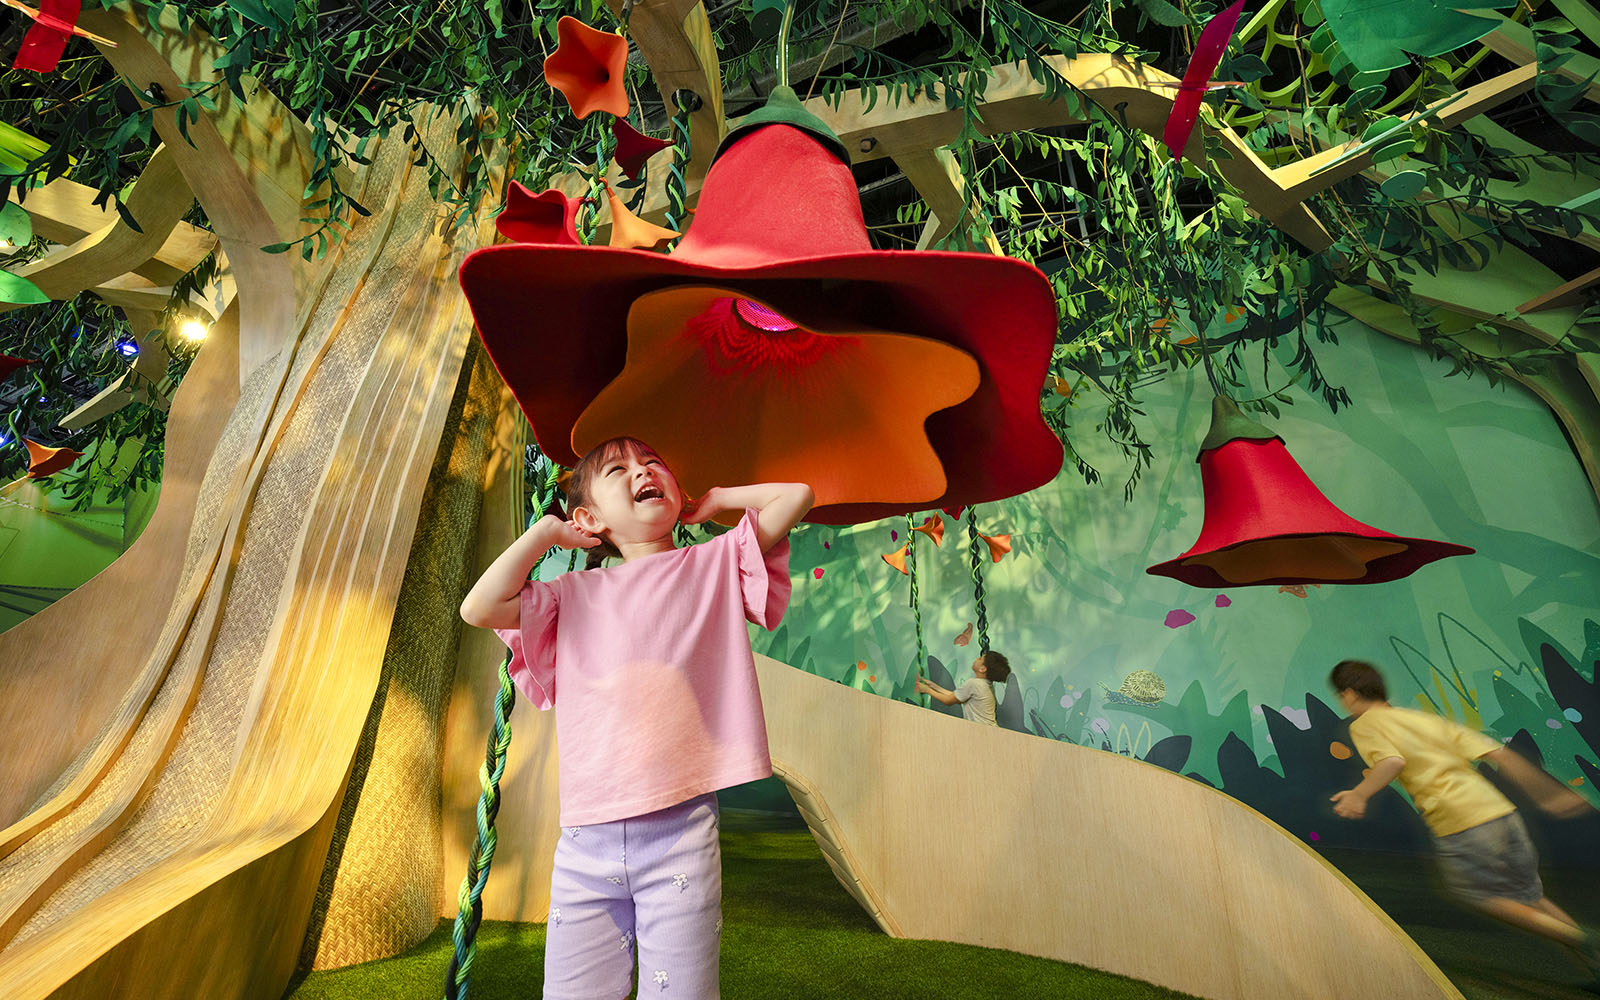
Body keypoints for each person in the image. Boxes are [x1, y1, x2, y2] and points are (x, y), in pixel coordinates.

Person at [460, 436, 812, 1000]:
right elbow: (478, 607)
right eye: (618, 469)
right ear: (588, 519)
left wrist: (718, 499)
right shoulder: (571, 594)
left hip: (680, 832)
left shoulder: (713, 563)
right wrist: (546, 533)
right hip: (586, 838)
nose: (642, 472)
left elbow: (796, 496)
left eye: (652, 463)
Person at [1328, 659, 1600, 981]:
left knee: (1478, 895)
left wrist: (1359, 795)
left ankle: (1581, 938)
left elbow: (1392, 761)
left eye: (1341, 696)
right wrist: (1548, 795)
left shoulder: (1365, 725)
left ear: (1349, 694)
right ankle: (1596, 965)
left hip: (1461, 822)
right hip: (1501, 814)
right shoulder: (1423, 720)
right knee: (1529, 897)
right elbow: (1498, 753)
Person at [914, 651, 1011, 726]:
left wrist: (928, 690)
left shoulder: (973, 684)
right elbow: (955, 696)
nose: (976, 659)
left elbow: (949, 701)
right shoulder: (986, 685)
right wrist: (934, 687)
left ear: (982, 669)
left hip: (982, 731)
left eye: (980, 659)